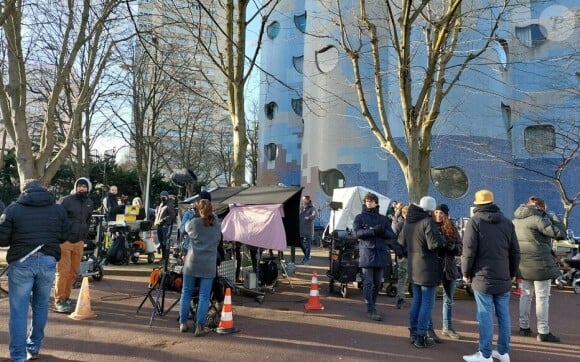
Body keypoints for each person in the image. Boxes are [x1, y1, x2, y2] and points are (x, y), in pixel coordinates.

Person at [0, 180, 68, 361]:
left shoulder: (13, 209)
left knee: (18, 310)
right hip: (48, 261)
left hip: (22, 262)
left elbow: (2, 239)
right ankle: (34, 346)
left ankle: (18, 356)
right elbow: (65, 235)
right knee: (40, 305)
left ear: (24, 191)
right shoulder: (58, 209)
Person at [462, 189, 520, 362]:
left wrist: (465, 273)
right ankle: (503, 352)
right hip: (503, 276)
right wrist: (512, 273)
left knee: (485, 316)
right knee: (504, 315)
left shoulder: (475, 222)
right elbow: (515, 252)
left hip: (482, 277)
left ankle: (485, 354)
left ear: (477, 205)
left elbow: (468, 251)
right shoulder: (508, 223)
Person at [513, 196, 566, 343]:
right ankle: (543, 331)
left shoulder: (516, 220)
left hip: (523, 264)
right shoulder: (538, 219)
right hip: (541, 265)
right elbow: (560, 234)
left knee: (525, 295)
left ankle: (524, 327)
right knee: (542, 298)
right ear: (541, 207)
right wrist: (554, 217)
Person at [397, 196, 446, 348]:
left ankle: (413, 332)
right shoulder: (428, 222)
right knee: (427, 303)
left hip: (413, 266)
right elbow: (434, 244)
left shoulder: (409, 222)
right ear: (430, 210)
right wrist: (444, 242)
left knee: (417, 301)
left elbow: (400, 243)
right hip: (427, 268)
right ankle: (421, 335)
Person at [178, 199, 221, 337]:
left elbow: (183, 228)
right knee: (204, 296)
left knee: (186, 293)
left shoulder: (194, 223)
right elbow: (218, 239)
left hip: (192, 263)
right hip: (208, 264)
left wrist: (191, 215)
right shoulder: (216, 225)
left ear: (198, 210)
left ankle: (183, 323)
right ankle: (199, 326)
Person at [54, 177, 94, 313]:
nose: (82, 188)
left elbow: (88, 220)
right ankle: (59, 300)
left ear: (88, 188)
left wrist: (84, 236)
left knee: (73, 272)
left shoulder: (89, 203)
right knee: (63, 272)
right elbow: (56, 218)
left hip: (79, 242)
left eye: (84, 186)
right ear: (76, 187)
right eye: (80, 186)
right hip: (64, 242)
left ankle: (66, 297)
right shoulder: (65, 200)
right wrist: (61, 237)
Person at [353, 192, 396, 322]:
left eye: (371, 201)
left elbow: (392, 235)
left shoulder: (383, 219)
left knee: (378, 283)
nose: (369, 203)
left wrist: (383, 232)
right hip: (367, 253)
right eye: (367, 201)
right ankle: (371, 308)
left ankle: (373, 304)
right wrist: (372, 231)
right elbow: (357, 233)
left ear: (376, 203)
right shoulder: (360, 217)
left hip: (381, 253)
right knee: (367, 282)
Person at [432, 204, 463, 340]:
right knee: (429, 300)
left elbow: (460, 248)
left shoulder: (451, 227)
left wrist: (453, 247)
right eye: (436, 212)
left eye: (441, 213)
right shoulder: (430, 226)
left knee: (448, 300)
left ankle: (447, 327)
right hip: (433, 267)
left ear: (446, 214)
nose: (438, 215)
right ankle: (428, 328)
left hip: (449, 267)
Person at [391, 203, 408, 309]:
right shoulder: (399, 224)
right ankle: (400, 298)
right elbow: (393, 240)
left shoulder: (399, 223)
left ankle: (401, 298)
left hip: (405, 255)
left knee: (403, 278)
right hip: (404, 255)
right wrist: (400, 252)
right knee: (403, 278)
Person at [154, 191, 177, 261]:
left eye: (164, 196)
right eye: (161, 196)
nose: (162, 198)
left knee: (165, 242)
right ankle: (163, 257)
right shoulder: (161, 204)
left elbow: (172, 215)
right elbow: (158, 214)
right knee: (161, 242)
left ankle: (166, 258)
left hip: (165, 225)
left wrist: (164, 220)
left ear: (167, 196)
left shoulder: (170, 204)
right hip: (159, 225)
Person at [299, 195, 317, 265]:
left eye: (304, 200)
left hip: (308, 230)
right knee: (300, 243)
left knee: (308, 245)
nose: (303, 201)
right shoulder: (302, 208)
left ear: (308, 200)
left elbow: (314, 215)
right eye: (303, 199)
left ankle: (306, 259)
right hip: (301, 229)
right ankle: (307, 255)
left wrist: (309, 217)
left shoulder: (312, 208)